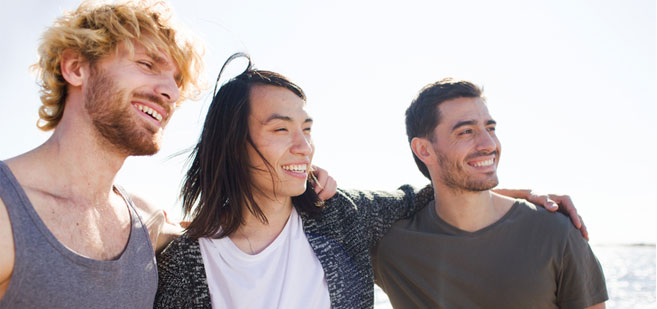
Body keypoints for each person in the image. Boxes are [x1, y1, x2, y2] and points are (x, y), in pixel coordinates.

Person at [155, 55, 586, 309]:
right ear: (232, 143)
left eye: (307, 128)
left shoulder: (344, 217)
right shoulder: (181, 264)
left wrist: (521, 196)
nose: (304, 146)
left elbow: (433, 191)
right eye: (281, 129)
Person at [0, 1, 202, 307]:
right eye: (147, 65)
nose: (171, 93)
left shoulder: (147, 223)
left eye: (176, 81)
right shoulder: (7, 210)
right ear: (76, 68)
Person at [372, 78, 608, 308]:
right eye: (466, 131)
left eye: (490, 128)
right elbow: (340, 208)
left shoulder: (557, 233)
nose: (488, 144)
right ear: (424, 150)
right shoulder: (391, 246)